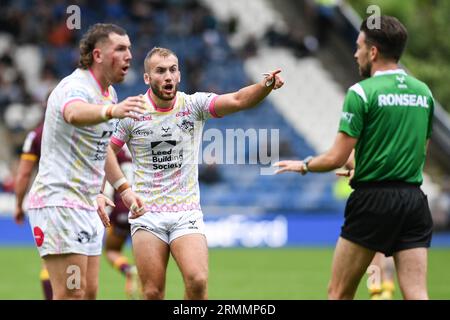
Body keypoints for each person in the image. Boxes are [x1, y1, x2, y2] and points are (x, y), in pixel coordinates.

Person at [96, 47, 284, 300]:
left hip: (186, 213)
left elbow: (238, 100)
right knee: (152, 292)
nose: (168, 76)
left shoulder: (194, 105)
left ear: (179, 75)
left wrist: (265, 86)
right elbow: (103, 150)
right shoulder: (132, 113)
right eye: (160, 71)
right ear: (147, 78)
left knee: (197, 281)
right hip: (147, 214)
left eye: (172, 70)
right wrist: (116, 190)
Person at [274, 16, 434, 300]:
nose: (355, 52)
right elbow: (419, 151)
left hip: (373, 201)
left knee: (339, 293)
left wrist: (304, 165)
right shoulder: (424, 93)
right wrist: (372, 166)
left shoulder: (360, 92)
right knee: (418, 294)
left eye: (359, 46)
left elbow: (337, 157)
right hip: (413, 201)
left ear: (373, 52)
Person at [26, 23, 146, 300]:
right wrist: (111, 111)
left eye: (129, 48)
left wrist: (123, 189)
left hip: (87, 204)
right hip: (60, 202)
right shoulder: (75, 87)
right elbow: (73, 113)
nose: (129, 55)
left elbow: (101, 148)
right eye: (120, 49)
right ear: (98, 55)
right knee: (72, 294)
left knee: (89, 293)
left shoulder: (108, 93)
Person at [14, 120, 53, 300]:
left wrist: (18, 204)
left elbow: (23, 173)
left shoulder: (36, 134)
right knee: (75, 265)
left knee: (49, 262)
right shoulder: (82, 127)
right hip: (78, 202)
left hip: (47, 202)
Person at [103, 147, 141, 299]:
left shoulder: (113, 148)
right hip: (143, 205)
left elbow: (106, 174)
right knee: (143, 255)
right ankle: (142, 277)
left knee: (111, 250)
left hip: (121, 206)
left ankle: (128, 270)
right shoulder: (143, 141)